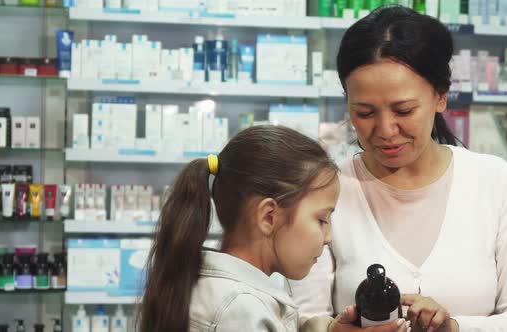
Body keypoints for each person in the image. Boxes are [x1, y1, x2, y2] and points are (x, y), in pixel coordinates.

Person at [290, 6, 507, 332]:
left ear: (441, 97)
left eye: (404, 110)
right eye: (365, 112)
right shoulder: (327, 190)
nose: (385, 129)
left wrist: (454, 328)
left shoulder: (494, 183)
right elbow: (299, 317)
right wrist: (330, 330)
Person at [137, 125, 408, 332]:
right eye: (321, 220)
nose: (327, 238)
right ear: (269, 216)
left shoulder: (215, 286)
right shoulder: (240, 309)